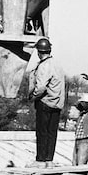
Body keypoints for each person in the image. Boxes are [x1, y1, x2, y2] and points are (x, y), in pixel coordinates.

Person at [27, 37, 65, 165]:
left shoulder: (44, 66)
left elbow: (41, 87)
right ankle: (49, 160)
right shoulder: (57, 64)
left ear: (38, 51)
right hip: (57, 104)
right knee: (52, 133)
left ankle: (40, 160)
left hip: (45, 102)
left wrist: (34, 96)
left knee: (42, 132)